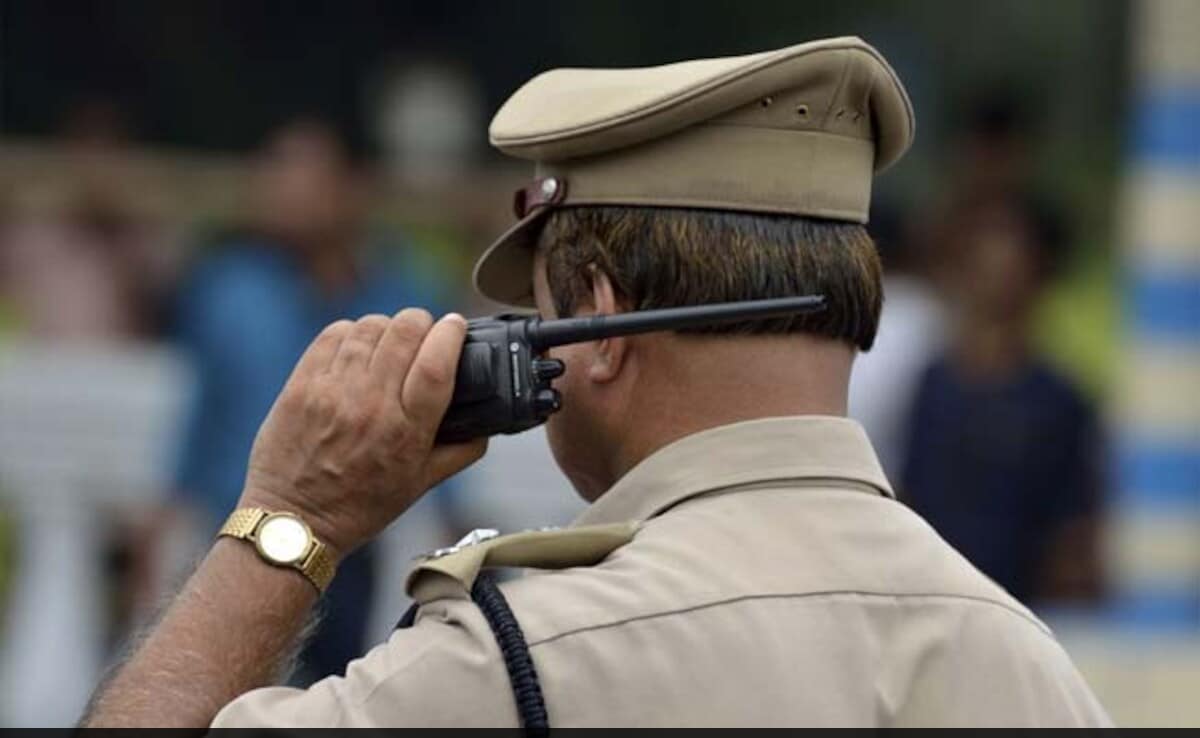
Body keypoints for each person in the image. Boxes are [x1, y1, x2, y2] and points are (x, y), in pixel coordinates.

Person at [82, 37, 1111, 727]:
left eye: (541, 313)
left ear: (604, 321)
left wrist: (290, 519)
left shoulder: (510, 663)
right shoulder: (1028, 666)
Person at [169, 118, 455, 682]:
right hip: (235, 530)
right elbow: (199, 418)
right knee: (229, 686)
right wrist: (166, 514)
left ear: (352, 185)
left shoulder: (405, 292)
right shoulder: (227, 290)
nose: (286, 190)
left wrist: (450, 517)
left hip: (356, 536)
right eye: (275, 171)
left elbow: (441, 413)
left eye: (305, 172)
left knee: (338, 687)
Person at [900, 195, 1105, 604]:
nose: (993, 269)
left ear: (1039, 274)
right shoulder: (932, 384)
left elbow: (1074, 537)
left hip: (1023, 617)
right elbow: (910, 499)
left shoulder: (1060, 400)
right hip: (931, 607)